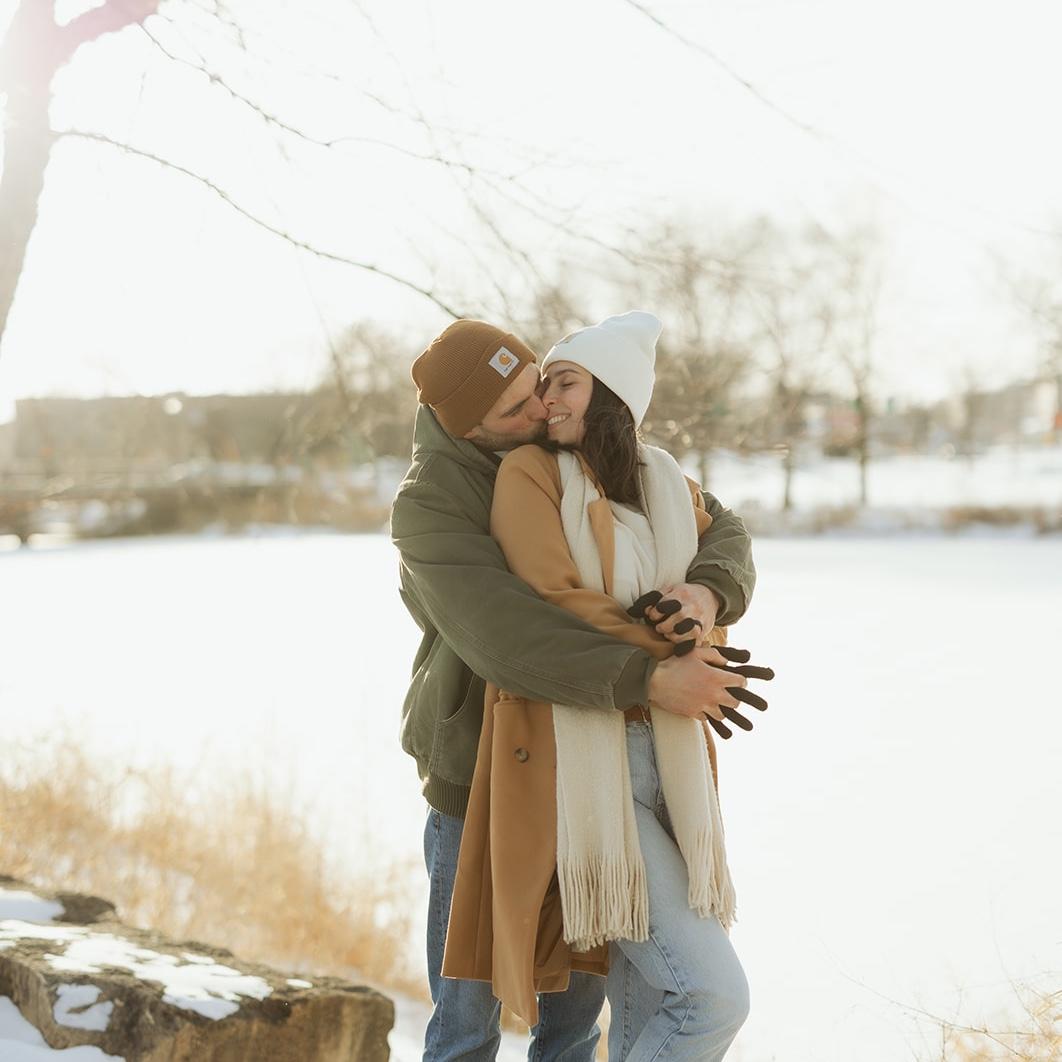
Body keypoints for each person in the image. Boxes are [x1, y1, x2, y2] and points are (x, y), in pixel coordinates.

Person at [390, 318, 761, 1062]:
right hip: (478, 778)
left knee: (572, 1022)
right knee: (466, 1023)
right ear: (465, 428)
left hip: (580, 765)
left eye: (540, 387)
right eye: (516, 410)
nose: (539, 411)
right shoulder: (430, 505)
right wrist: (655, 675)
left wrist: (707, 595)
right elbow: (507, 637)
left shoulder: (566, 452)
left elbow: (722, 525)